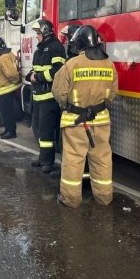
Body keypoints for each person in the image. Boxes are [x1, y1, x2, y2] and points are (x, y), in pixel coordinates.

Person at [52, 25, 118, 208]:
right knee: (102, 159)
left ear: (79, 44)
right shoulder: (109, 64)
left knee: (73, 159)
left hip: (75, 121)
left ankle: (71, 200)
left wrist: (68, 106)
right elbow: (113, 93)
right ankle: (104, 197)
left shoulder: (71, 65)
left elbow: (59, 93)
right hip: (101, 121)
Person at [26, 20, 66, 176]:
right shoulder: (40, 50)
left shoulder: (56, 48)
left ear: (46, 32)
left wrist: (39, 77)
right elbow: (35, 70)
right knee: (40, 130)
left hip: (49, 98)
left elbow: (58, 71)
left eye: (38, 33)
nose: (36, 36)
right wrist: (31, 76)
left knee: (48, 130)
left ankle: (48, 162)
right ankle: (43, 158)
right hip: (38, 96)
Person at [0, 35, 20, 140]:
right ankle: (8, 130)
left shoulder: (4, 57)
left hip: (6, 89)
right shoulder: (5, 55)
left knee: (7, 112)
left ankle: (11, 131)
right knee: (5, 112)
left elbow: (11, 74)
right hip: (5, 89)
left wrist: (15, 81)